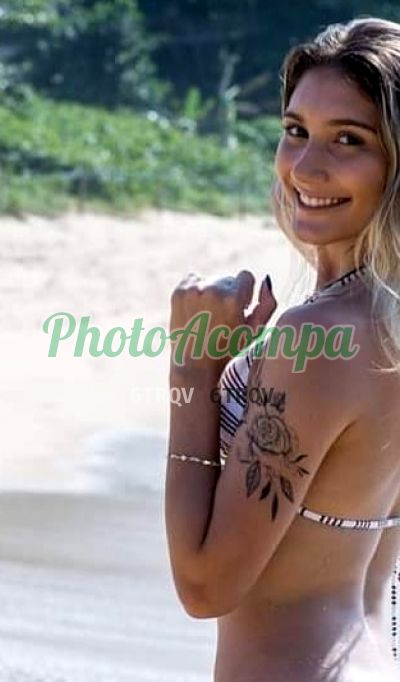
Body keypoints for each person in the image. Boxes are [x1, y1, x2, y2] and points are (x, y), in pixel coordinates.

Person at [165, 16, 400, 681]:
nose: (305, 166)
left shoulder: (318, 338)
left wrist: (192, 369)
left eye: (348, 139)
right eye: (296, 131)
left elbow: (206, 585)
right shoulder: (384, 326)